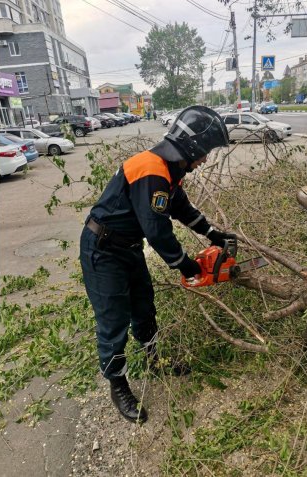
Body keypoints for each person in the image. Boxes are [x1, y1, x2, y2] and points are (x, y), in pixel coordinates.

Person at [79, 105, 235, 423]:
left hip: (128, 248)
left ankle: (154, 359)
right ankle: (118, 385)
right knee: (114, 322)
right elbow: (157, 229)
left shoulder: (166, 170)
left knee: (144, 308)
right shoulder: (151, 170)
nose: (205, 159)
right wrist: (185, 265)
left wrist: (213, 234)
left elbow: (182, 208)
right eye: (205, 152)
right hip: (104, 250)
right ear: (192, 146)